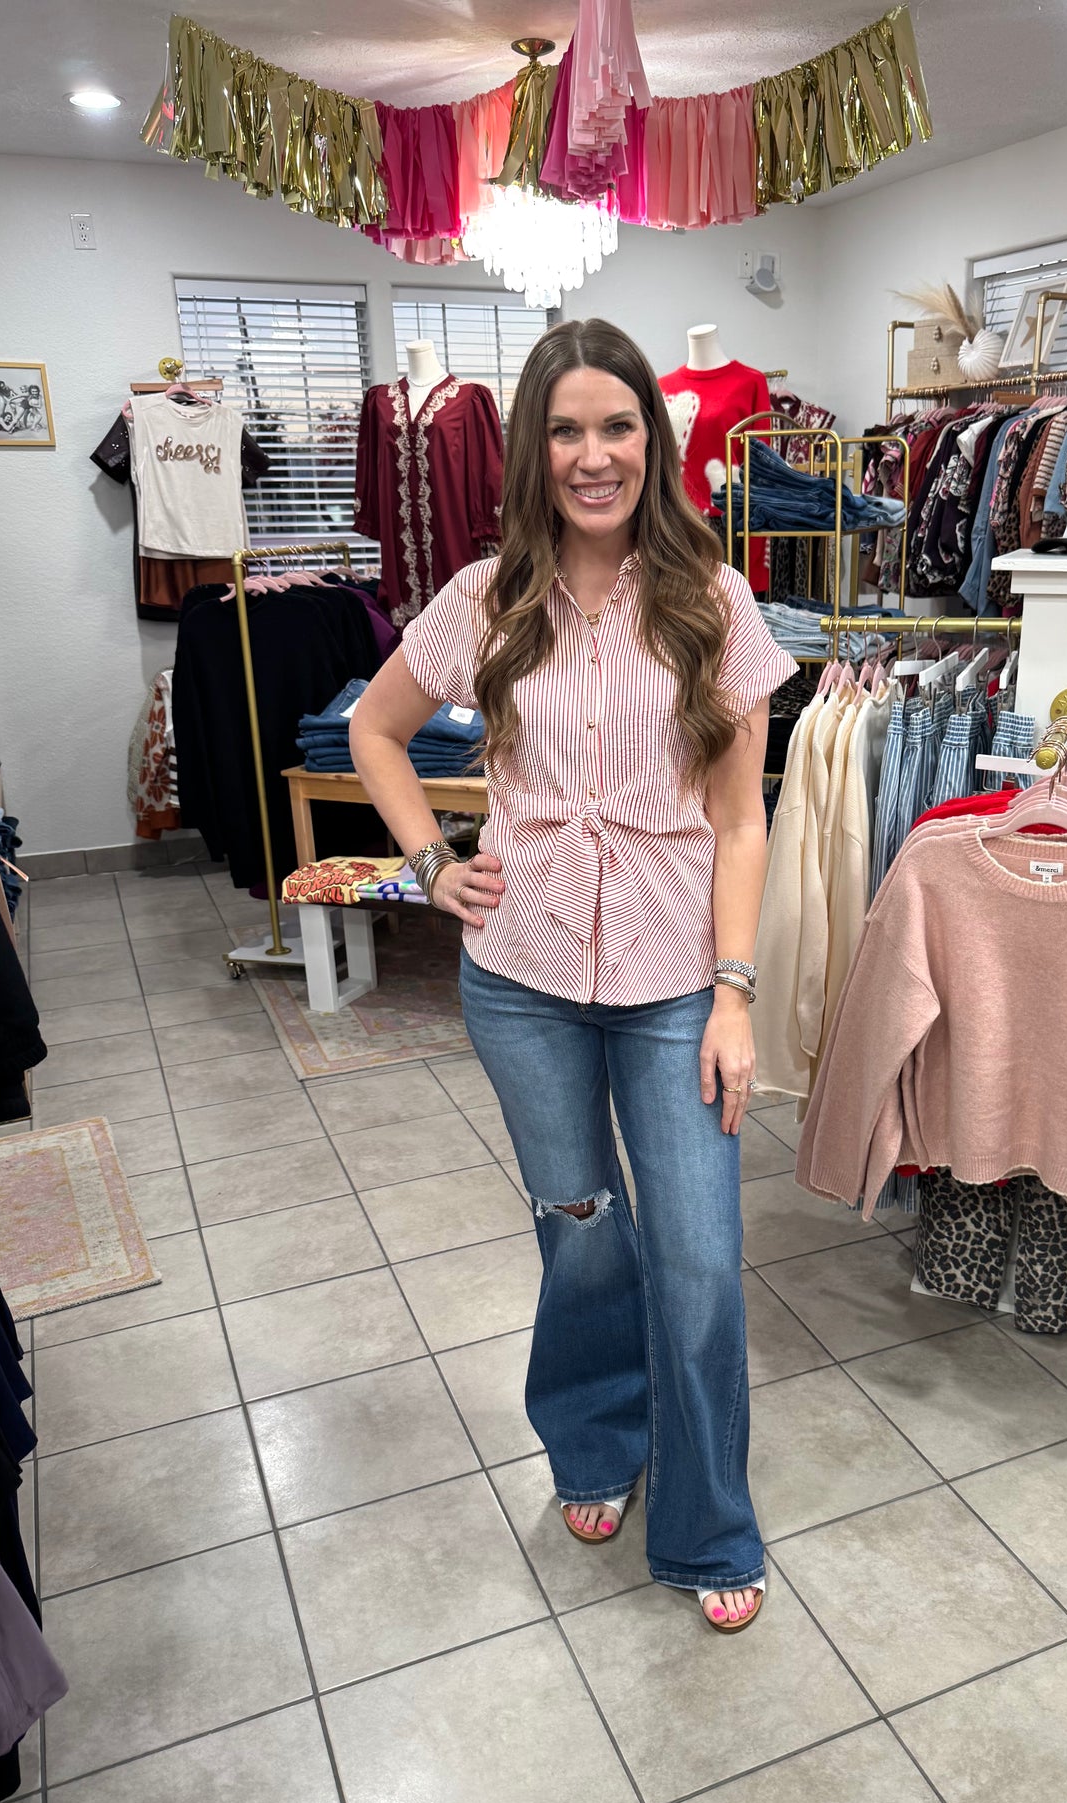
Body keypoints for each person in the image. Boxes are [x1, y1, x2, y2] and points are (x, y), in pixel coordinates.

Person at [352, 317, 794, 1632]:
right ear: (533, 449)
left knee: (701, 1261)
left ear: (651, 444)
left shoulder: (711, 598)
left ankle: (709, 1517)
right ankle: (597, 1442)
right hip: (521, 975)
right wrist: (432, 864)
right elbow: (378, 732)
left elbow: (745, 813)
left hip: (672, 984)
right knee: (584, 1234)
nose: (593, 455)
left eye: (617, 427)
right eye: (565, 429)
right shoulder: (483, 595)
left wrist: (732, 991)